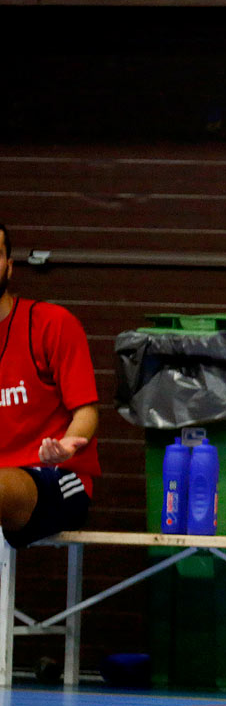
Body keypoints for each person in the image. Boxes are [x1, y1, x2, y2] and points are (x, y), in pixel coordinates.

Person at [0, 223, 99, 550]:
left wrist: (69, 444)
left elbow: (86, 411)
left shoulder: (51, 324)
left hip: (56, 477)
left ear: (9, 267)